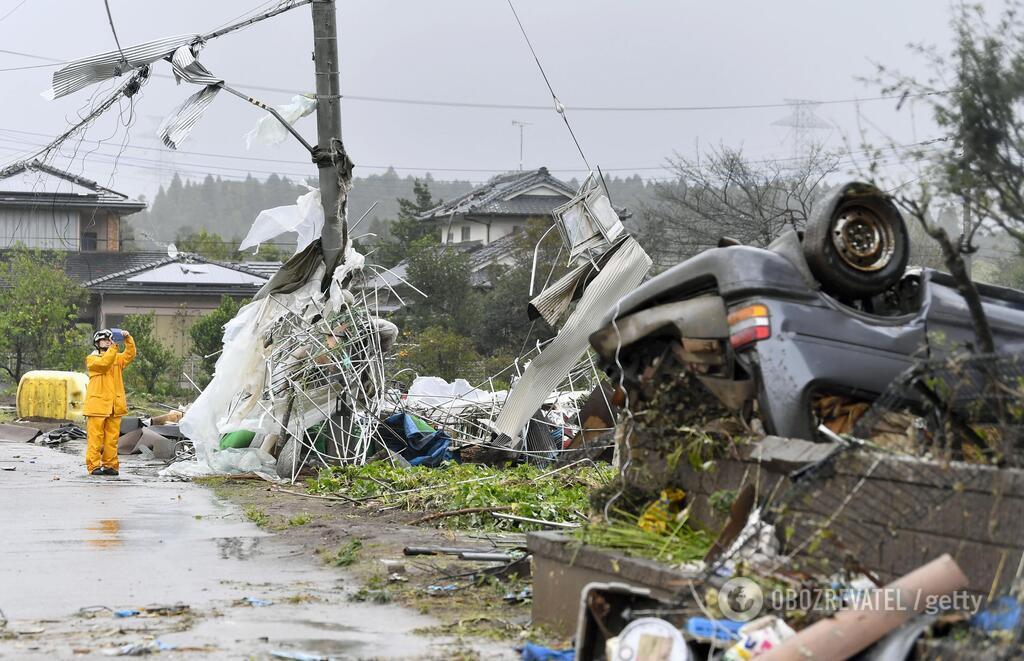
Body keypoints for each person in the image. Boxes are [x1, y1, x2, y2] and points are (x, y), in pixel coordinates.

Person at [84, 328, 136, 476]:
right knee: (96, 439)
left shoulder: (117, 358)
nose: (108, 341)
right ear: (97, 342)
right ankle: (93, 466)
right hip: (97, 407)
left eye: (110, 339)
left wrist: (128, 338)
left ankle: (110, 465)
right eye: (104, 339)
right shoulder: (92, 359)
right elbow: (105, 363)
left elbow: (130, 354)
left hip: (114, 407)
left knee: (111, 440)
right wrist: (113, 347)